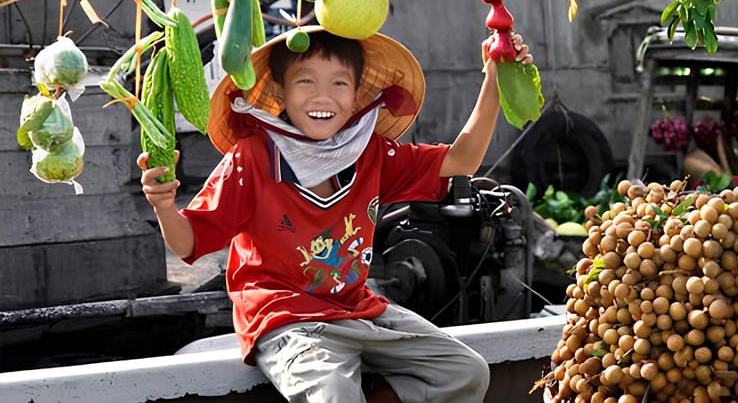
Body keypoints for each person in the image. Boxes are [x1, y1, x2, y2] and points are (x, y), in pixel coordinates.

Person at [139, 24, 532, 402]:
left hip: (359, 307)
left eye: (339, 83)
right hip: (285, 319)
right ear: (280, 91)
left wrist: (494, 77)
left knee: (465, 371)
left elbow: (462, 160)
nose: (322, 96)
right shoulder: (253, 157)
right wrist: (164, 205)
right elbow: (188, 242)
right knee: (333, 394)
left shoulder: (371, 151)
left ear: (357, 93)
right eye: (305, 81)